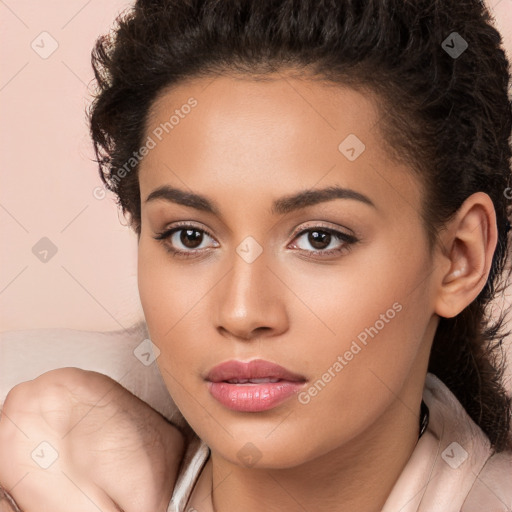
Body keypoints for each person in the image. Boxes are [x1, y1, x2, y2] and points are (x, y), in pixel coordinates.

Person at [1, 0, 512, 510]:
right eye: (190, 236)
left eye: (319, 238)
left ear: (458, 258)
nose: (242, 313)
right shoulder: (48, 461)